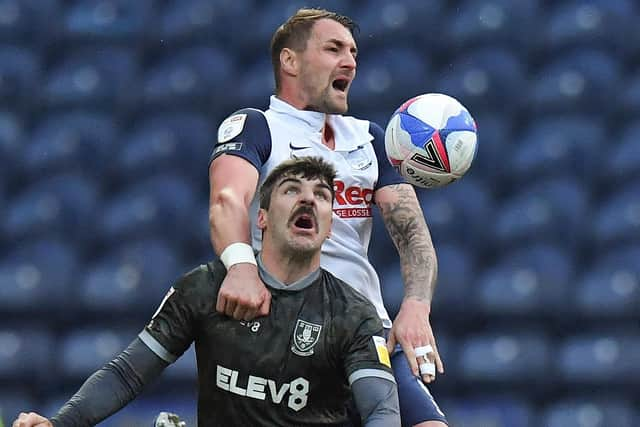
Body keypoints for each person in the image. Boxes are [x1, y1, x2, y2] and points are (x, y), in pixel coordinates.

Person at [12, 157, 400, 427]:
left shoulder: (353, 313)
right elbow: (128, 373)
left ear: (329, 227)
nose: (308, 199)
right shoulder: (205, 287)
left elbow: (381, 410)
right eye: (292, 190)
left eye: (321, 195)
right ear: (260, 218)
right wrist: (59, 423)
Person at [208, 7, 447, 427]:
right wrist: (240, 267)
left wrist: (416, 306)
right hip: (287, 338)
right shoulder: (257, 127)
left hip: (366, 332)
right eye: (333, 48)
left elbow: (412, 234)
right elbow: (227, 200)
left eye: (353, 52)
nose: (350, 61)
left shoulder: (371, 138)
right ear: (290, 61)